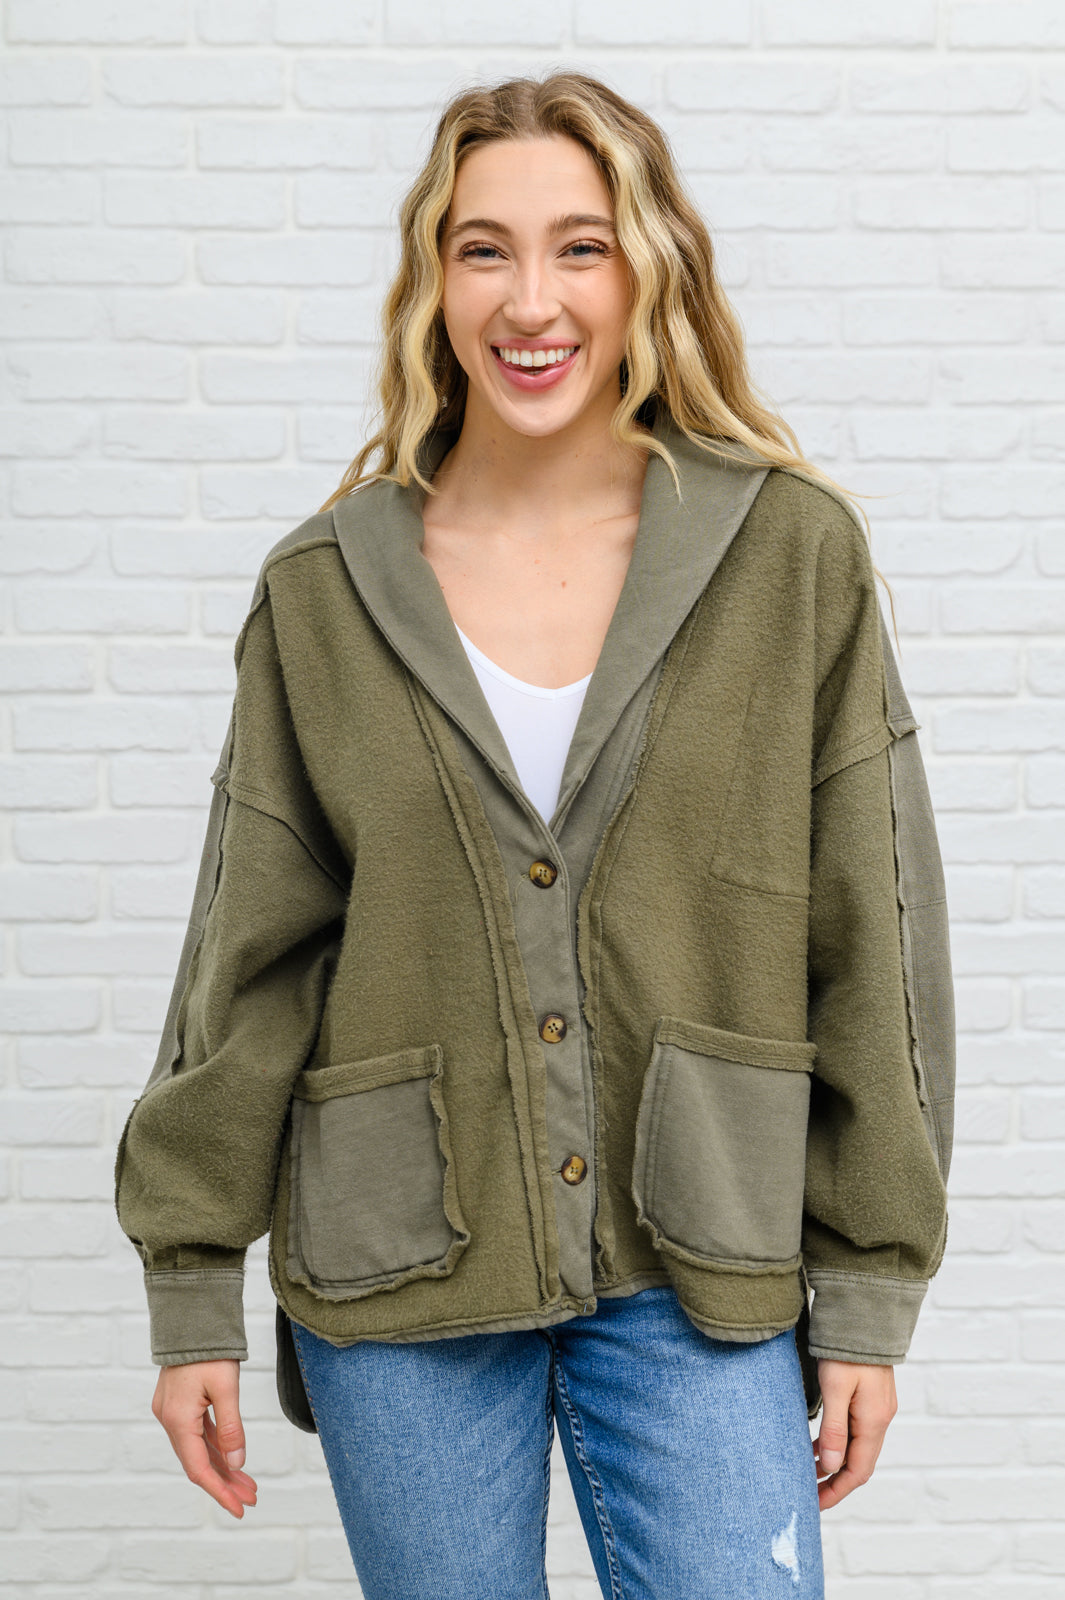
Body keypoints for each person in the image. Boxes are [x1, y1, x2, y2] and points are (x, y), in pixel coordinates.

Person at [114, 71, 955, 1600]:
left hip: (703, 1254)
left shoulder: (788, 555)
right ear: (432, 282)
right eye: (481, 249)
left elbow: (872, 937)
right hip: (400, 1259)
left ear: (649, 269)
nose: (529, 301)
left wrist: (866, 1289)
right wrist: (190, 1288)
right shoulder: (324, 589)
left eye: (580, 246)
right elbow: (246, 962)